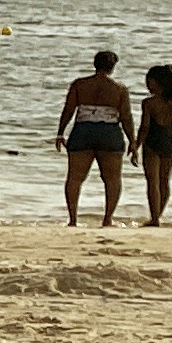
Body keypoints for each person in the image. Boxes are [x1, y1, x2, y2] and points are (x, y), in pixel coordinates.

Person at [52, 49, 134, 226]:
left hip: (83, 130)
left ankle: (73, 219)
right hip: (109, 132)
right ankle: (107, 218)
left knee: (75, 178)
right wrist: (132, 141)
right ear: (112, 67)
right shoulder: (119, 89)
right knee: (112, 179)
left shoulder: (79, 85)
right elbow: (126, 117)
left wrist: (60, 132)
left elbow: (69, 109)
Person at [135, 62, 172, 226]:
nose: (147, 85)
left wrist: (136, 146)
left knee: (152, 181)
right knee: (164, 180)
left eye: (149, 82)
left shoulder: (148, 103)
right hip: (168, 140)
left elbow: (144, 127)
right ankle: (157, 215)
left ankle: (154, 218)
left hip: (152, 141)